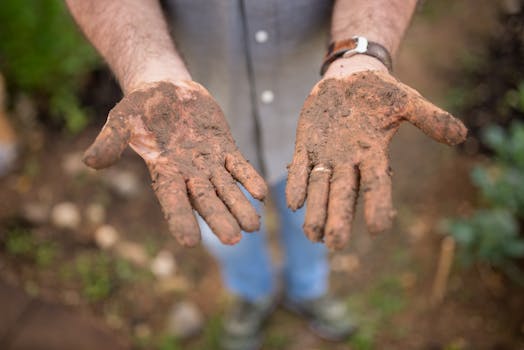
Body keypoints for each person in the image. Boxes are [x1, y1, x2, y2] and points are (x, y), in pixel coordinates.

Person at [65, 1, 467, 349]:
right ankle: (252, 295)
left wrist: (359, 53)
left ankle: (307, 290)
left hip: (322, 110)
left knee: (317, 220)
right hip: (196, 124)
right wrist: (149, 69)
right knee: (227, 235)